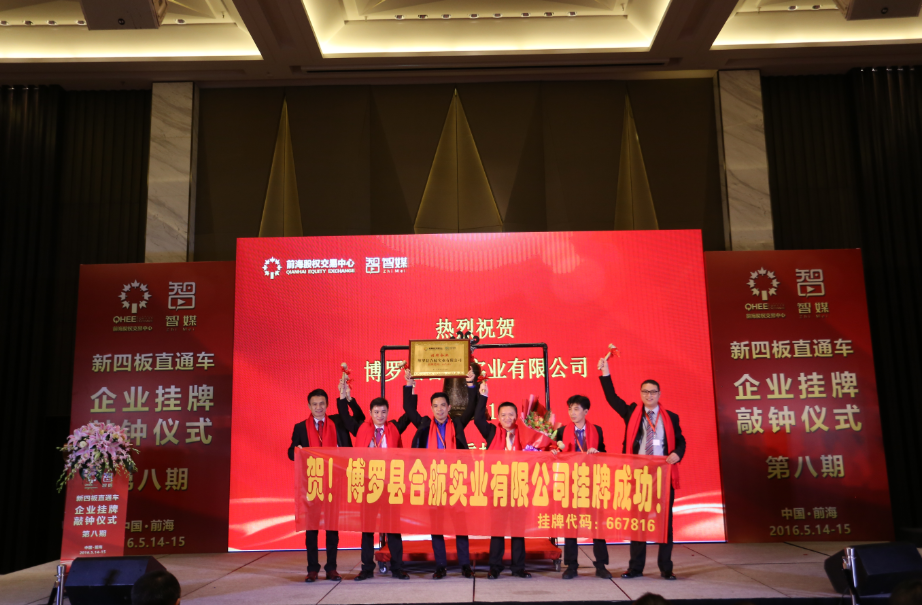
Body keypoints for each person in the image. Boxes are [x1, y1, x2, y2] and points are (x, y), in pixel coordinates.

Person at [598, 356, 685, 581]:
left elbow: (681, 441)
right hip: (639, 476)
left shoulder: (671, 417)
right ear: (640, 394)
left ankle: (666, 568)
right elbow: (612, 398)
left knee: (665, 524)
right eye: (645, 392)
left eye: (653, 392)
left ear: (659, 394)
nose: (649, 395)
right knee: (639, 522)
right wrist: (606, 373)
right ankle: (635, 568)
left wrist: (678, 453)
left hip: (663, 476)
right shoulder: (632, 413)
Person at [403, 368, 479, 579]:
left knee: (460, 526)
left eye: (443, 405)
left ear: (449, 407)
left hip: (455, 482)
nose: (439, 409)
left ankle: (465, 565)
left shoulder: (457, 424)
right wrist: (409, 385)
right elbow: (408, 408)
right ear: (431, 408)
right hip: (433, 483)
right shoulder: (425, 425)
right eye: (435, 406)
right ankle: (440, 566)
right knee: (436, 527)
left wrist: (471, 384)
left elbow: (471, 407)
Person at [287, 377, 364, 582]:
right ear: (309, 406)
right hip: (312, 484)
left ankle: (331, 568)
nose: (318, 407)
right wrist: (297, 450)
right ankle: (312, 569)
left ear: (327, 405)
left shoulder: (338, 422)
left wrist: (348, 398)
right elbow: (290, 452)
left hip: (334, 483)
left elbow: (360, 418)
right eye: (314, 404)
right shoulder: (300, 427)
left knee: (332, 529)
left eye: (322, 403)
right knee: (311, 529)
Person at [339, 395, 411, 580]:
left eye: (383, 412)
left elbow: (409, 414)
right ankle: (367, 568)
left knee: (393, 528)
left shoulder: (394, 429)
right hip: (368, 486)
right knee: (367, 529)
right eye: (376, 412)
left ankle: (397, 567)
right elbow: (345, 417)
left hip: (389, 485)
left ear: (388, 413)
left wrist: (409, 389)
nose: (380, 415)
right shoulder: (362, 428)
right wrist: (344, 399)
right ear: (370, 413)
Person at [473, 381, 537, 579]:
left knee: (518, 530)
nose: (507, 418)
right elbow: (478, 419)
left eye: (511, 414)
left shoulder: (525, 433)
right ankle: (495, 567)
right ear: (498, 417)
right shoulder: (492, 432)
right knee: (497, 530)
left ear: (516, 416)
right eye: (503, 415)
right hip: (498, 488)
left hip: (519, 487)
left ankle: (518, 568)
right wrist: (483, 396)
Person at [550, 394, 611, 579]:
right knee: (571, 524)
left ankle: (601, 565)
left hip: (591, 482)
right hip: (570, 483)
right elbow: (554, 453)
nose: (572, 413)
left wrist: (597, 452)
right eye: (570, 409)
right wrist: (554, 452)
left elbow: (605, 453)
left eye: (576, 409)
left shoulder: (597, 430)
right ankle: (571, 565)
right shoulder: (561, 431)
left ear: (586, 411)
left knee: (596, 525)